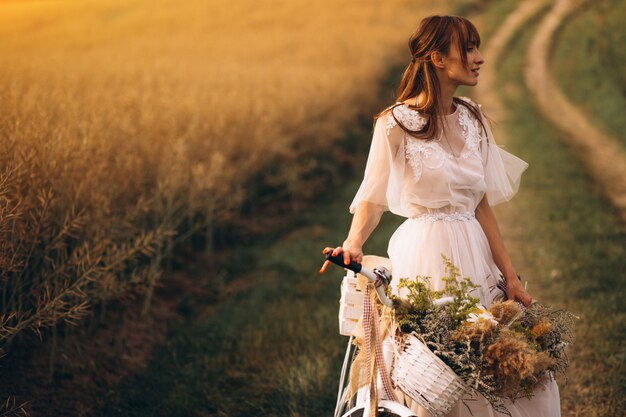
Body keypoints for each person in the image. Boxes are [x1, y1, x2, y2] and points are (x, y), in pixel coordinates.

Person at [319, 15, 561, 417]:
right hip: (425, 252)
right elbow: (372, 197)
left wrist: (511, 277)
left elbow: (481, 204)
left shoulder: (473, 119)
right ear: (436, 57)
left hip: (474, 249)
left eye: (477, 46)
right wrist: (353, 244)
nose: (479, 58)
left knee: (492, 355)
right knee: (434, 364)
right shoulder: (394, 123)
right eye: (468, 48)